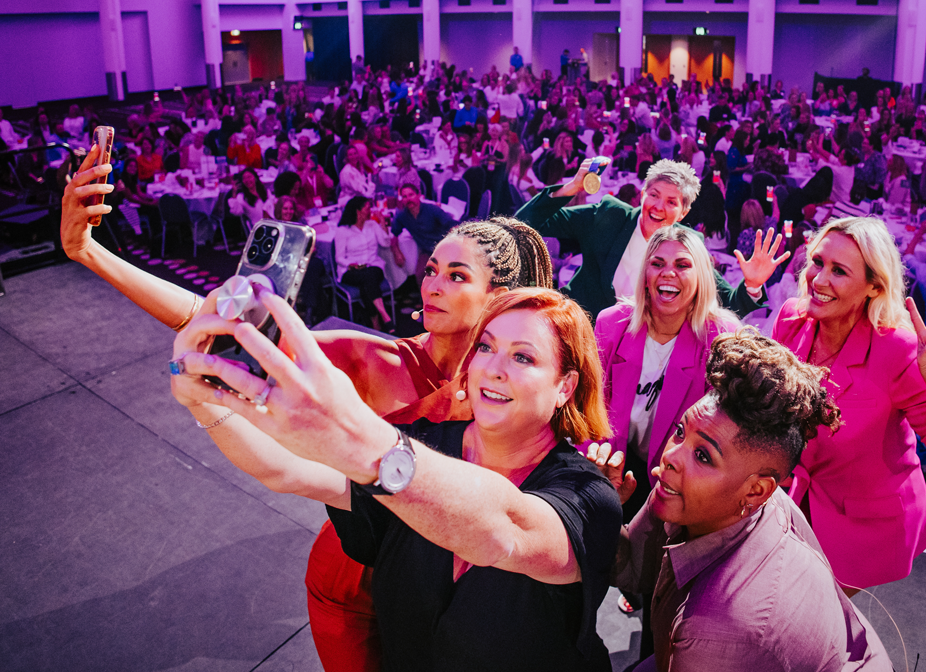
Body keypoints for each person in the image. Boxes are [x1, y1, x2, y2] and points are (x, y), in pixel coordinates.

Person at [168, 286, 622, 672]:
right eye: (485, 346)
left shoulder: (588, 495)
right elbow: (287, 469)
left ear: (564, 386)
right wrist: (206, 400)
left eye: (523, 356)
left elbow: (500, 530)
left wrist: (356, 438)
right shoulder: (423, 442)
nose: (493, 367)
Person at [594, 329, 891, 672]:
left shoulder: (717, 628)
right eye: (680, 431)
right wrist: (600, 508)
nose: (672, 457)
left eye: (704, 456)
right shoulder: (705, 496)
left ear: (756, 491)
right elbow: (634, 568)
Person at [771, 216, 926, 592]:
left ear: (874, 287)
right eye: (817, 262)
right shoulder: (792, 319)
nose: (819, 279)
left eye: (839, 271)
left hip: (862, 528)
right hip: (794, 507)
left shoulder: (898, 351)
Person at [517, 160, 787, 321]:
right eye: (654, 195)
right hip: (584, 329)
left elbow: (728, 302)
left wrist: (752, 284)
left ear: (684, 212)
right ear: (642, 194)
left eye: (671, 202)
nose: (658, 206)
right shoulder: (610, 216)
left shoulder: (689, 245)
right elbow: (527, 221)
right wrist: (573, 187)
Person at [593, 227, 740, 518]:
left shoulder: (722, 338)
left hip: (681, 476)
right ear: (645, 275)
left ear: (701, 278)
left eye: (682, 265)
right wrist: (599, 463)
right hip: (613, 465)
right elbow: (589, 405)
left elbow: (722, 431)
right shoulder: (612, 324)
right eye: (657, 263)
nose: (667, 273)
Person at [334, 196, 403, 332]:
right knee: (368, 280)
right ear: (358, 211)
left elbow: (385, 243)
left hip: (372, 266)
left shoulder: (372, 225)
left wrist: (382, 223)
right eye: (367, 208)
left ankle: (376, 322)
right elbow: (339, 257)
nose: (370, 211)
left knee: (369, 278)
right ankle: (384, 317)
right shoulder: (342, 231)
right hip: (351, 270)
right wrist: (351, 264)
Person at [390, 182, 458, 274]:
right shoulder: (403, 216)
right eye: (404, 197)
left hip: (444, 248)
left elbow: (452, 225)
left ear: (418, 195)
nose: (408, 199)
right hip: (427, 251)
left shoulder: (432, 210)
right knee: (421, 274)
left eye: (411, 195)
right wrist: (396, 252)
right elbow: (394, 234)